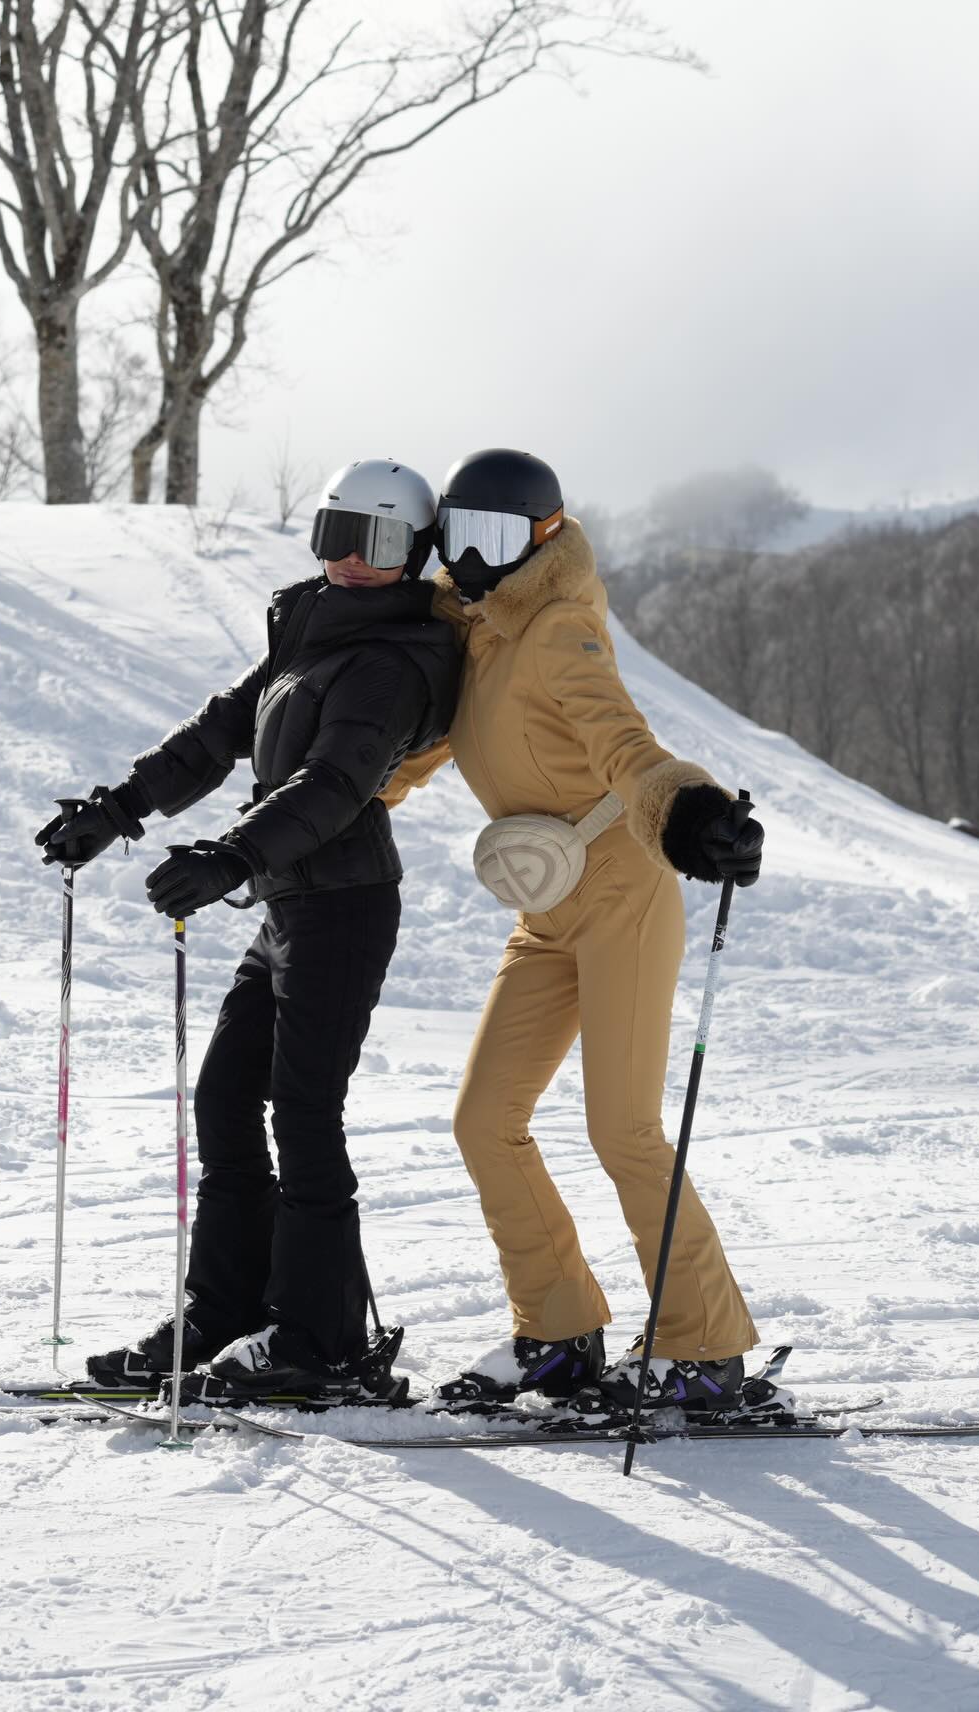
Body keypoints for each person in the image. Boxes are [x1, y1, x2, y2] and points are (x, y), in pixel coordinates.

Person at [35, 460, 460, 1401]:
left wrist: (229, 857)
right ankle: (226, 1311)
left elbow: (336, 784)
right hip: (287, 905)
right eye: (335, 533)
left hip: (343, 905)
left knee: (304, 1115)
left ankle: (321, 1340)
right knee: (225, 1101)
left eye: (379, 542)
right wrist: (119, 810)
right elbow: (223, 728)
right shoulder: (310, 624)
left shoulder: (396, 659)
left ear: (414, 553)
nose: (351, 558)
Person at [382, 448, 765, 1415]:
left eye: (497, 539)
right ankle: (558, 1328)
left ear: (543, 538)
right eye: (458, 538)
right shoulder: (468, 635)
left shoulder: (558, 627)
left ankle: (705, 1347)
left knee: (623, 1129)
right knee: (483, 1120)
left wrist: (688, 813)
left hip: (625, 894)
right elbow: (414, 754)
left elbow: (626, 743)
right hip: (547, 912)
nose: (473, 560)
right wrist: (311, 821)